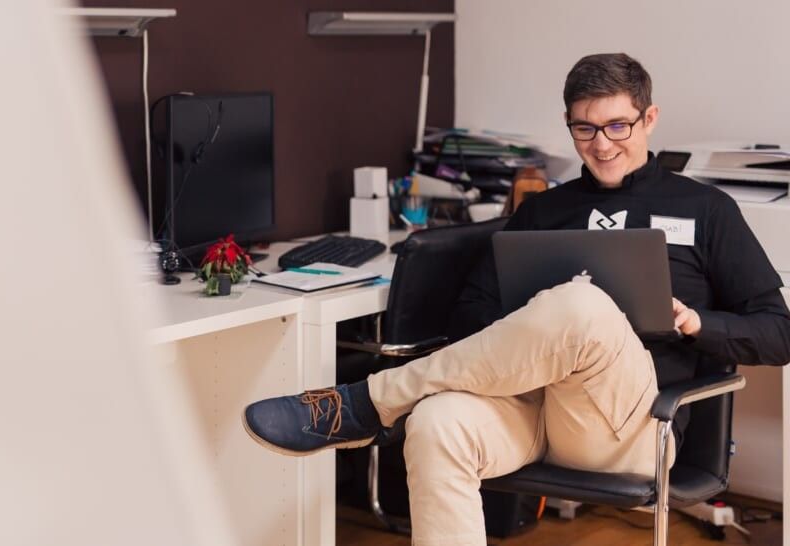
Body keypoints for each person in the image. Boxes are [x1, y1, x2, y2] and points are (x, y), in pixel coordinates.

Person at [242, 53, 790, 546]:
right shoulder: (543, 211)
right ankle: (381, 405)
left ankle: (365, 404)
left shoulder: (707, 210)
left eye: (617, 125)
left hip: (632, 425)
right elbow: (471, 317)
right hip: (527, 407)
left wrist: (697, 323)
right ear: (570, 126)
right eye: (585, 128)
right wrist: (531, 323)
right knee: (437, 422)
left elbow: (778, 332)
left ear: (649, 119)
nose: (601, 143)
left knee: (583, 305)